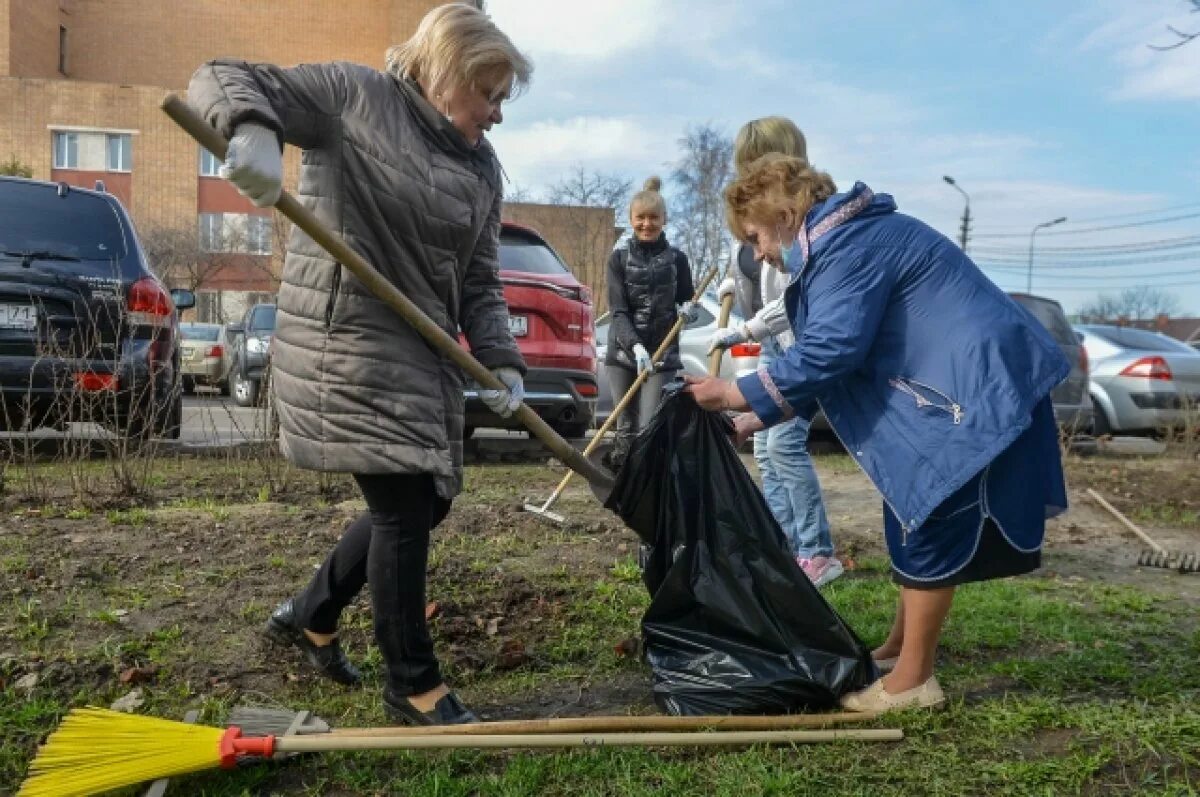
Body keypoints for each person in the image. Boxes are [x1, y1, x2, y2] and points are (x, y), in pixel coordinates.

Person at [188, 3, 533, 726]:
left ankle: (310, 615)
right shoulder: (356, 98)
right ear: (447, 72)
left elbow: (479, 278)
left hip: (420, 350)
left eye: (504, 99)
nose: (497, 114)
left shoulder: (480, 167)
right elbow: (224, 75)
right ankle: (412, 683)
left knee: (425, 499)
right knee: (406, 504)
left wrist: (501, 359)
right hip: (344, 339)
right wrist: (250, 129)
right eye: (490, 94)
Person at [685, 154, 1069, 712]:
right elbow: (837, 359)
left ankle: (914, 680)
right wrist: (755, 416)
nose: (760, 253)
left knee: (932, 514)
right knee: (910, 507)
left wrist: (731, 392)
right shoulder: (847, 243)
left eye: (756, 237)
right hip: (961, 382)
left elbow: (831, 351)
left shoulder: (851, 247)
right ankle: (899, 647)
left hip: (973, 387)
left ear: (788, 214)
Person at [709, 117, 840, 586]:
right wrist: (732, 281)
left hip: (801, 350)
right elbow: (759, 272)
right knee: (765, 449)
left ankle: (817, 551)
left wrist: (746, 327)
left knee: (784, 445)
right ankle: (782, 544)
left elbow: (794, 298)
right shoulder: (765, 216)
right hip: (776, 349)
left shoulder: (807, 219)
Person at [603, 177, 696, 469]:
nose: (647, 224)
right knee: (625, 428)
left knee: (648, 427)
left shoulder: (677, 259)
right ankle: (621, 485)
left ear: (664, 219)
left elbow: (686, 300)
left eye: (653, 217)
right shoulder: (617, 260)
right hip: (622, 354)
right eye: (640, 217)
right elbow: (618, 311)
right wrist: (636, 347)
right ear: (631, 219)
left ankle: (648, 489)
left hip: (662, 355)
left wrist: (688, 311)